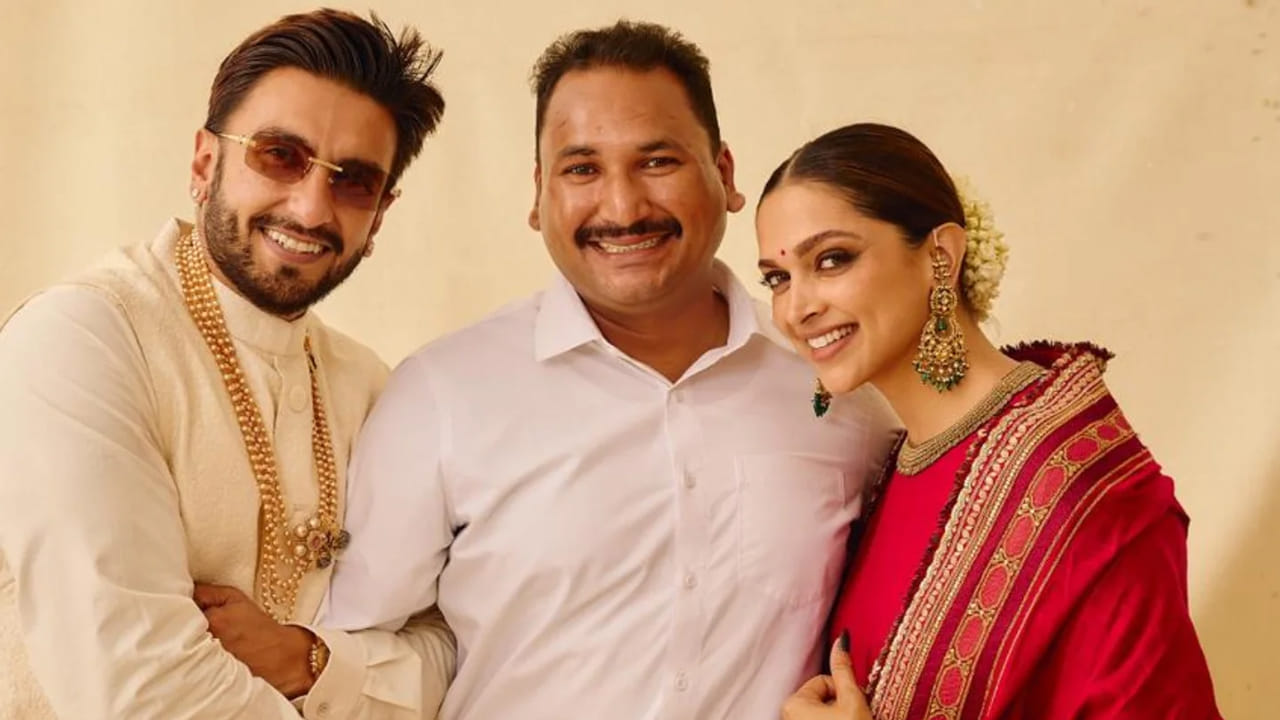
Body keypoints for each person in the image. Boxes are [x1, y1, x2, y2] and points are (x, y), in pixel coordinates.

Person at [321, 20, 898, 720]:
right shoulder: (441, 394)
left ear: (724, 174)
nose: (622, 208)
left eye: (657, 161)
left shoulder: (842, 394)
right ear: (539, 194)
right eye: (582, 169)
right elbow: (361, 646)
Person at [0, 9, 456, 719]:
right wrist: (361, 682)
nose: (311, 207)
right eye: (280, 155)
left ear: (381, 214)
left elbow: (452, 650)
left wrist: (311, 659)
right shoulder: (86, 338)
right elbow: (138, 688)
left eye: (354, 181)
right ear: (204, 163)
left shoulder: (371, 387)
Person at [756, 122, 1222, 719]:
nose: (796, 308)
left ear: (941, 256)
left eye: (832, 259)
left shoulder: (1084, 494)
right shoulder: (888, 465)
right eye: (778, 278)